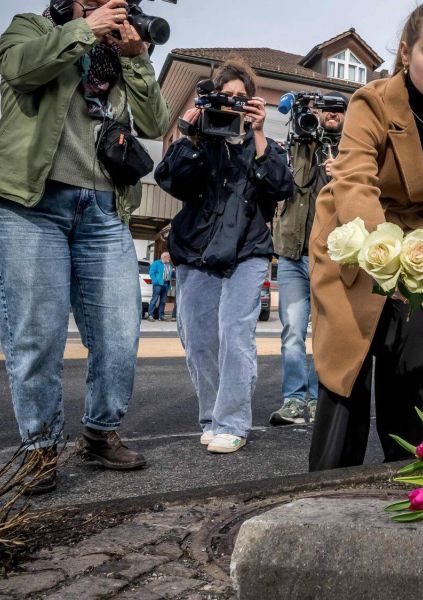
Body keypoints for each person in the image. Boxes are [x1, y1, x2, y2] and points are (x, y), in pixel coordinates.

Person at [0, 0, 169, 493]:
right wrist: (83, 29)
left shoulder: (119, 53)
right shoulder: (32, 27)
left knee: (120, 332)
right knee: (37, 336)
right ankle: (38, 449)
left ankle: (98, 432)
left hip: (104, 208)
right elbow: (19, 70)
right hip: (34, 203)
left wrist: (137, 58)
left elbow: (156, 123)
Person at [307, 1, 423, 470]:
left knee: (412, 366)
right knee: (348, 367)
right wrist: (386, 251)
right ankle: (321, 502)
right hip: (353, 234)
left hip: (422, 241)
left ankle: (410, 487)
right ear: (406, 52)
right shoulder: (372, 100)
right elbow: (354, 182)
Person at [155, 56, 293, 453]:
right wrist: (190, 131)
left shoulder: (263, 143)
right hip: (195, 249)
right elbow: (170, 180)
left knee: (235, 336)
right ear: (213, 97)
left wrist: (261, 133)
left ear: (252, 103)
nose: (232, 103)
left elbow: (282, 186)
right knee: (199, 341)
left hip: (247, 250)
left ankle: (231, 422)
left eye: (241, 97)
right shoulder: (199, 139)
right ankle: (211, 417)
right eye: (225, 95)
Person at [269, 94, 348, 427]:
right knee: (292, 332)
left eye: (337, 111)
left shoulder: (351, 153)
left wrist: (341, 175)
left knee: (324, 334)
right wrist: (300, 118)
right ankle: (293, 401)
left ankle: (318, 402)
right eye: (325, 110)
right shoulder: (298, 142)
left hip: (328, 257)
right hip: (290, 253)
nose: (330, 115)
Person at [148, 252, 174, 320]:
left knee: (163, 301)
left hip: (166, 284)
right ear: (164, 257)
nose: (170, 259)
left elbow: (170, 275)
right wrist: (156, 281)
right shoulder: (156, 263)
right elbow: (151, 273)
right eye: (169, 257)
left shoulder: (169, 265)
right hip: (158, 285)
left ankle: (161, 316)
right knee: (155, 299)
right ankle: (150, 315)